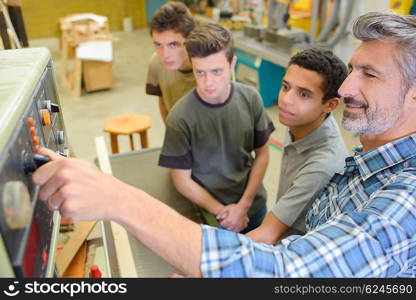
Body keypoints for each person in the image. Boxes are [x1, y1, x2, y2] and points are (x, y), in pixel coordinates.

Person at [34, 11, 416, 277]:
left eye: (369, 74)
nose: (348, 88)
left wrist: (118, 199)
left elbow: (287, 271)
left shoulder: (403, 205)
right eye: (352, 71)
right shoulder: (364, 160)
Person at [159, 23, 275, 233]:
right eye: (200, 72)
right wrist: (223, 212)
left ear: (232, 64)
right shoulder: (180, 117)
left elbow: (263, 155)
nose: (208, 82)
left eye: (217, 71)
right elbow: (181, 180)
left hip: (253, 208)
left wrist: (243, 206)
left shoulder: (251, 99)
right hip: (211, 218)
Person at [246, 48, 349, 244]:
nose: (286, 100)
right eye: (286, 87)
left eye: (304, 94)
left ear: (330, 105)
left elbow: (268, 234)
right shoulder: (303, 120)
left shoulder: (322, 164)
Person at [146, 2, 196, 123]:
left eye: (173, 44)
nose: (165, 55)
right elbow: (163, 101)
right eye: (158, 45)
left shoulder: (211, 68)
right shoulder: (156, 63)